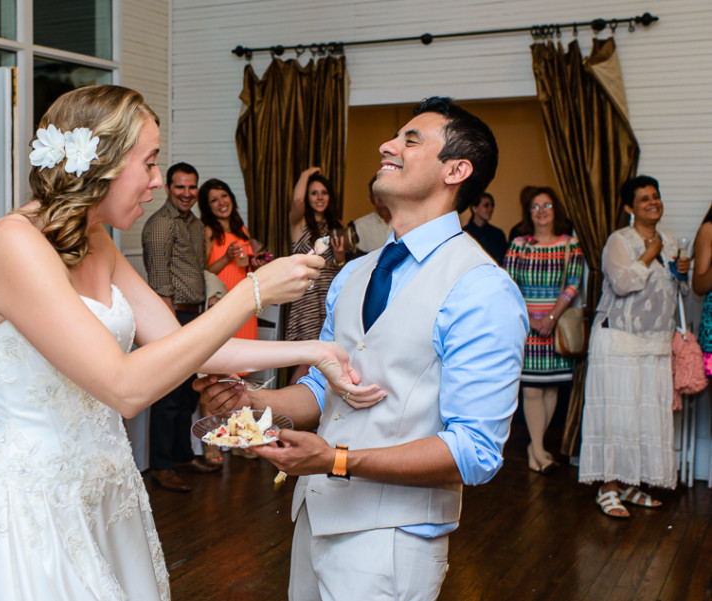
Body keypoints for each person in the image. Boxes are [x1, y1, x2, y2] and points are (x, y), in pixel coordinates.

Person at [0, 84, 370, 601]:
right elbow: (123, 386)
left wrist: (316, 352)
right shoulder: (12, 242)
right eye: (149, 163)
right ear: (102, 161)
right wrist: (253, 292)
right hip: (35, 508)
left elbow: (192, 346)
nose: (156, 182)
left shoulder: (98, 241)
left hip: (110, 496)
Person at [196, 97, 528, 601]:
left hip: (394, 541)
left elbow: (475, 451)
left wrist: (337, 459)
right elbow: (318, 390)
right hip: (312, 520)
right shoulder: (354, 272)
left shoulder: (482, 288)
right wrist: (252, 403)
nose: (387, 145)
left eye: (411, 140)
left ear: (456, 170)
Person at [579, 175, 689, 518]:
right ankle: (607, 487)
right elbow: (622, 283)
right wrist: (649, 254)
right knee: (616, 416)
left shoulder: (671, 242)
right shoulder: (619, 240)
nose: (653, 202)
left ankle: (629, 483)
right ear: (630, 207)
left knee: (642, 417)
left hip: (655, 343)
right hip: (617, 341)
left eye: (655, 196)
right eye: (644, 199)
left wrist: (682, 275)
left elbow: (677, 296)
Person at [142, 162, 218, 492]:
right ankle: (161, 465)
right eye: (179, 187)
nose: (186, 194)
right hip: (171, 318)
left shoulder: (195, 224)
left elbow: (198, 271)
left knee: (188, 395)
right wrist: (170, 330)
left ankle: (183, 456)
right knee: (168, 396)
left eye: (191, 188)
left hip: (195, 315)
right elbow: (160, 282)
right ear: (168, 188)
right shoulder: (160, 225)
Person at [504, 187, 584, 473]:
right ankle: (538, 449)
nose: (541, 211)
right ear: (529, 212)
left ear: (555, 210)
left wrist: (551, 317)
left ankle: (534, 447)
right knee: (532, 389)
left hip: (557, 327)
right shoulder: (518, 245)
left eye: (547, 205)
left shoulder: (570, 243)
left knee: (551, 388)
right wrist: (532, 318)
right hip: (526, 327)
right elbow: (509, 285)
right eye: (535, 206)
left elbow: (573, 284)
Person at [286, 167, 346, 383]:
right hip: (308, 296)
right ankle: (289, 411)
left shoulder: (336, 226)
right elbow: (298, 200)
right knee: (307, 358)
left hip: (329, 296)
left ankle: (312, 409)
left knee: (326, 355)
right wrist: (306, 174)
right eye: (314, 193)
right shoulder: (299, 223)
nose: (319, 197)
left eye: (324, 192)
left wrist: (340, 257)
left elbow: (341, 271)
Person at [198, 178, 269, 341]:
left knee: (247, 356)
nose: (221, 202)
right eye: (214, 200)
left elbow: (247, 270)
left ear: (231, 197)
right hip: (223, 303)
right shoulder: (208, 232)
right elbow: (203, 272)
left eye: (224, 196)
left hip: (246, 301)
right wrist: (227, 257)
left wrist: (256, 264)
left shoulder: (243, 230)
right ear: (207, 207)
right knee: (227, 356)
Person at [347, 175, 392, 255]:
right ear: (370, 198)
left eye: (384, 191)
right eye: (376, 192)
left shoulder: (409, 223)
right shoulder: (358, 227)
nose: (380, 195)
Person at [463, 191, 507, 265]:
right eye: (486, 205)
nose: (491, 209)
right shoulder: (465, 233)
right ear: (474, 208)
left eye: (492, 205)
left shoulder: (498, 234)